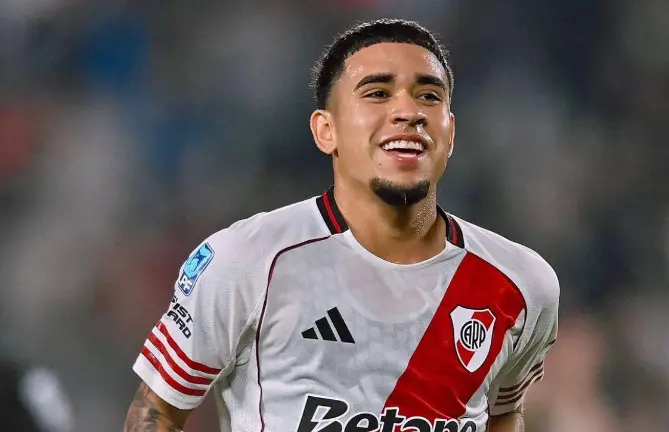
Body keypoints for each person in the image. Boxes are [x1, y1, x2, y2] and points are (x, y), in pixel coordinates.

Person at [123, 18, 559, 432]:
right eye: (377, 93)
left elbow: (503, 414)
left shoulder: (524, 284)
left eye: (428, 96)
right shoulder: (247, 261)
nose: (408, 110)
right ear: (325, 131)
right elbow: (156, 410)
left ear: (450, 131)